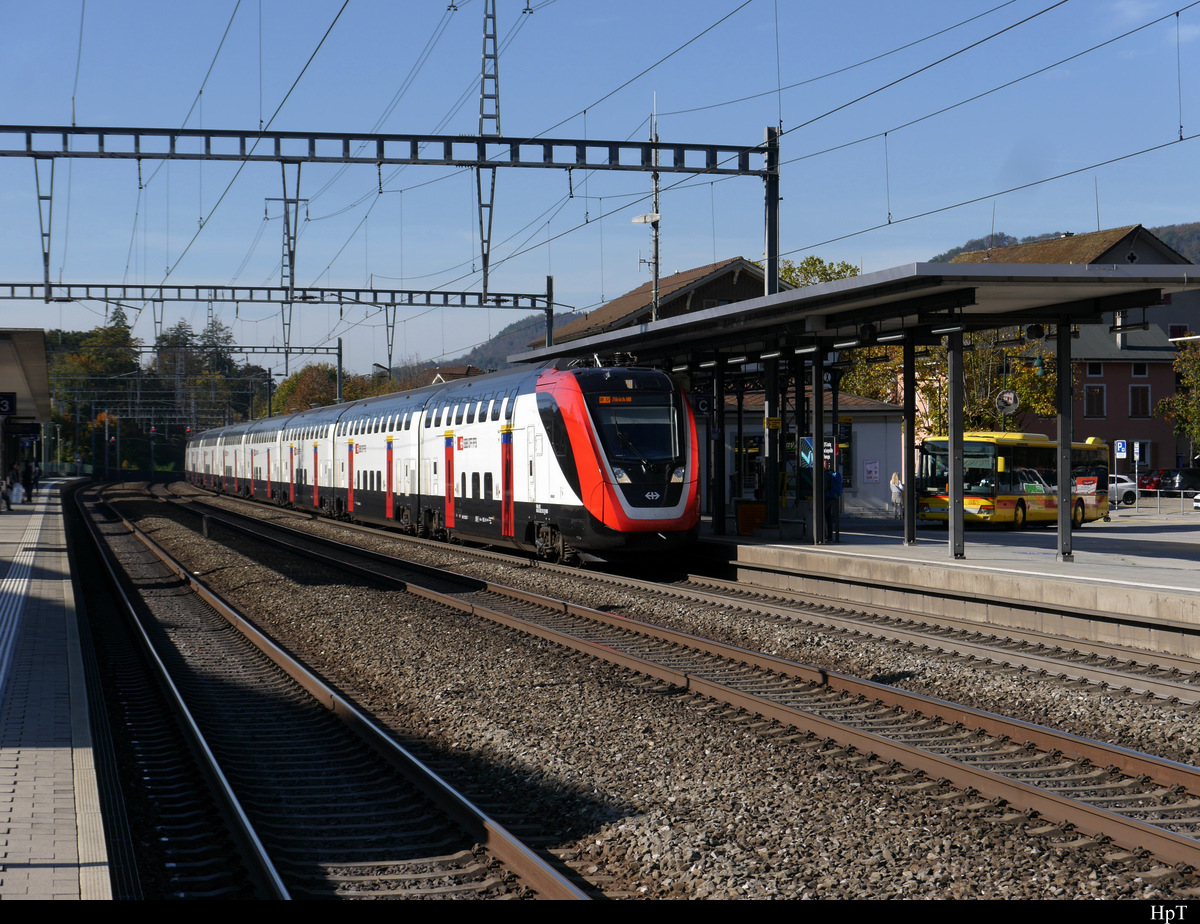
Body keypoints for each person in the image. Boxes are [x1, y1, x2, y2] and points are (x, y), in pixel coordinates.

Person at [824, 467, 843, 542]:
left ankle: (825, 535)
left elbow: (824, 487)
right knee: (828, 517)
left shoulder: (825, 475)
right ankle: (829, 536)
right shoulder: (831, 475)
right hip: (831, 497)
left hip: (826, 497)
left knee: (823, 517)